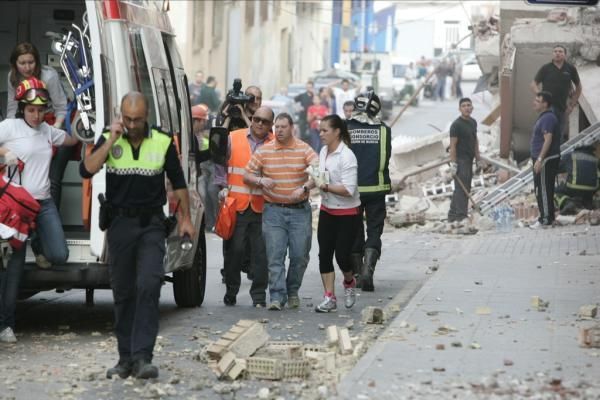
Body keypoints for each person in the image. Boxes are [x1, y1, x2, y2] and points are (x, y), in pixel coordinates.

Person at [80, 91, 194, 379]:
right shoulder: (110, 136)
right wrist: (110, 141)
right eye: (127, 119)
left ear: (147, 118)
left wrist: (186, 219)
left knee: (148, 285)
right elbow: (87, 169)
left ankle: (143, 357)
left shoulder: (163, 140)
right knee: (123, 291)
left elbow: (178, 182)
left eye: (138, 120)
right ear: (121, 116)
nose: (132, 125)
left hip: (151, 225)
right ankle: (125, 358)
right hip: (119, 225)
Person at [0, 77, 78, 343]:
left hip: (43, 205)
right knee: (13, 270)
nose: (36, 115)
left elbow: (70, 139)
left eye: (41, 109)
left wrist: (84, 125)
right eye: (31, 109)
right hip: (16, 207)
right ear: (22, 107)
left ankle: (38, 242)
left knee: (59, 254)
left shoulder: (47, 131)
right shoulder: (9, 127)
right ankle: (6, 326)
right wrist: (3, 151)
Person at [244, 113, 317, 311]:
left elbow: (320, 173)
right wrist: (260, 181)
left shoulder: (304, 149)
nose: (279, 131)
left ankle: (292, 291)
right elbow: (247, 174)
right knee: (275, 256)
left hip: (299, 211)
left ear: (292, 127)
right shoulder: (265, 151)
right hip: (273, 211)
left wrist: (304, 188)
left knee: (300, 255)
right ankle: (277, 296)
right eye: (276, 127)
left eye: (283, 127)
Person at [7, 42, 72, 218]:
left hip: (54, 124)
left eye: (31, 62)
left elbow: (62, 108)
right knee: (22, 179)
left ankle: (51, 223)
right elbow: (12, 111)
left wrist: (53, 131)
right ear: (15, 64)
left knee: (53, 180)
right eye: (22, 63)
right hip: (29, 128)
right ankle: (22, 221)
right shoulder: (12, 77)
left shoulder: (48, 76)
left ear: (37, 61)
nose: (27, 67)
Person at [220, 106, 274, 307]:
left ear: (270, 125)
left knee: (261, 254)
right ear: (251, 119)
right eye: (257, 119)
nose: (260, 123)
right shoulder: (234, 137)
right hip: (237, 205)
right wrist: (222, 186)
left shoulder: (274, 143)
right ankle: (231, 291)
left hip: (263, 207)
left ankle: (259, 296)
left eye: (265, 121)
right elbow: (220, 163)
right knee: (235, 251)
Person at [314, 115, 361, 313]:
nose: (321, 134)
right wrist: (309, 184)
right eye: (320, 130)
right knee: (324, 255)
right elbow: (320, 176)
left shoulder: (347, 156)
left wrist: (325, 186)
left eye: (325, 130)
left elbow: (348, 189)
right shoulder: (324, 151)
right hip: (327, 210)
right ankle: (329, 297)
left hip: (348, 213)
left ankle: (349, 282)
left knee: (342, 255)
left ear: (337, 132)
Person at [347, 91, 391, 292]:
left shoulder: (346, 129)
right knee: (374, 230)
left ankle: (357, 274)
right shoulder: (384, 130)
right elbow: (386, 158)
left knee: (354, 231)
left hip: (352, 191)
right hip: (376, 188)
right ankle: (368, 272)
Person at [530, 45, 582, 143]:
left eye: (560, 51)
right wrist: (540, 96)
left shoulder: (570, 69)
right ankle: (542, 156)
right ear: (552, 54)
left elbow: (579, 88)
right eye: (555, 51)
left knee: (558, 135)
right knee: (545, 134)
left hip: (562, 109)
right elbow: (533, 84)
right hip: (547, 108)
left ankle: (556, 157)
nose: (557, 53)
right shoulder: (546, 68)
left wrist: (571, 105)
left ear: (565, 55)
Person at [448, 98, 483, 223]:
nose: (467, 108)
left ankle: (452, 215)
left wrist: (478, 158)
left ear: (472, 108)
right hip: (460, 160)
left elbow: (475, 141)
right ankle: (461, 216)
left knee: (464, 187)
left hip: (469, 159)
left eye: (469, 105)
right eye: (464, 106)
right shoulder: (456, 125)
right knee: (462, 188)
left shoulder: (473, 122)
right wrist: (453, 164)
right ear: (460, 109)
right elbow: (452, 145)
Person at [529, 91, 561, 229]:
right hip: (543, 158)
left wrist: (540, 159)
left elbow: (548, 139)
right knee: (545, 188)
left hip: (546, 159)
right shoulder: (544, 117)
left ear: (545, 104)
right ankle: (548, 217)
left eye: (538, 100)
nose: (534, 102)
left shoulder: (548, 118)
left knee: (542, 189)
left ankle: (545, 219)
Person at [192, 104, 219, 232]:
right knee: (202, 196)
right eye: (203, 121)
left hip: (196, 173)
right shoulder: (191, 137)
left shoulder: (192, 136)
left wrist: (211, 151)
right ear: (198, 120)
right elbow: (197, 157)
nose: (204, 124)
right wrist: (212, 150)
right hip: (194, 174)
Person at [555, 144, 599, 214]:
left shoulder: (570, 155)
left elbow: (557, 168)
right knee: (586, 194)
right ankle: (587, 204)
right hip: (592, 189)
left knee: (555, 191)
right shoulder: (595, 158)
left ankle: (567, 203)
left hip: (574, 187)